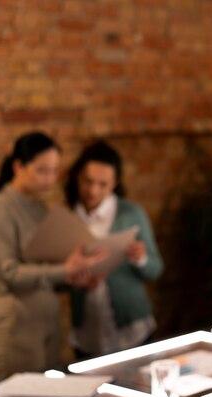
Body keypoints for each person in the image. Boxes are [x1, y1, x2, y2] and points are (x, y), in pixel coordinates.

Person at [0, 131, 107, 380]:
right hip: (16, 323)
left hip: (47, 322)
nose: (50, 179)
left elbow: (47, 269)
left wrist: (75, 279)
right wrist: (65, 270)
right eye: (42, 170)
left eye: (55, 170)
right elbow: (10, 273)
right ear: (18, 166)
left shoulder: (38, 207)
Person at [64, 140, 164, 359]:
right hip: (87, 331)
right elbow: (61, 277)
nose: (93, 190)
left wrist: (140, 258)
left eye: (103, 184)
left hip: (131, 330)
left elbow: (156, 269)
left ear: (115, 183)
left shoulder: (131, 214)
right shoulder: (68, 217)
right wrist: (77, 281)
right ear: (77, 177)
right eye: (88, 181)